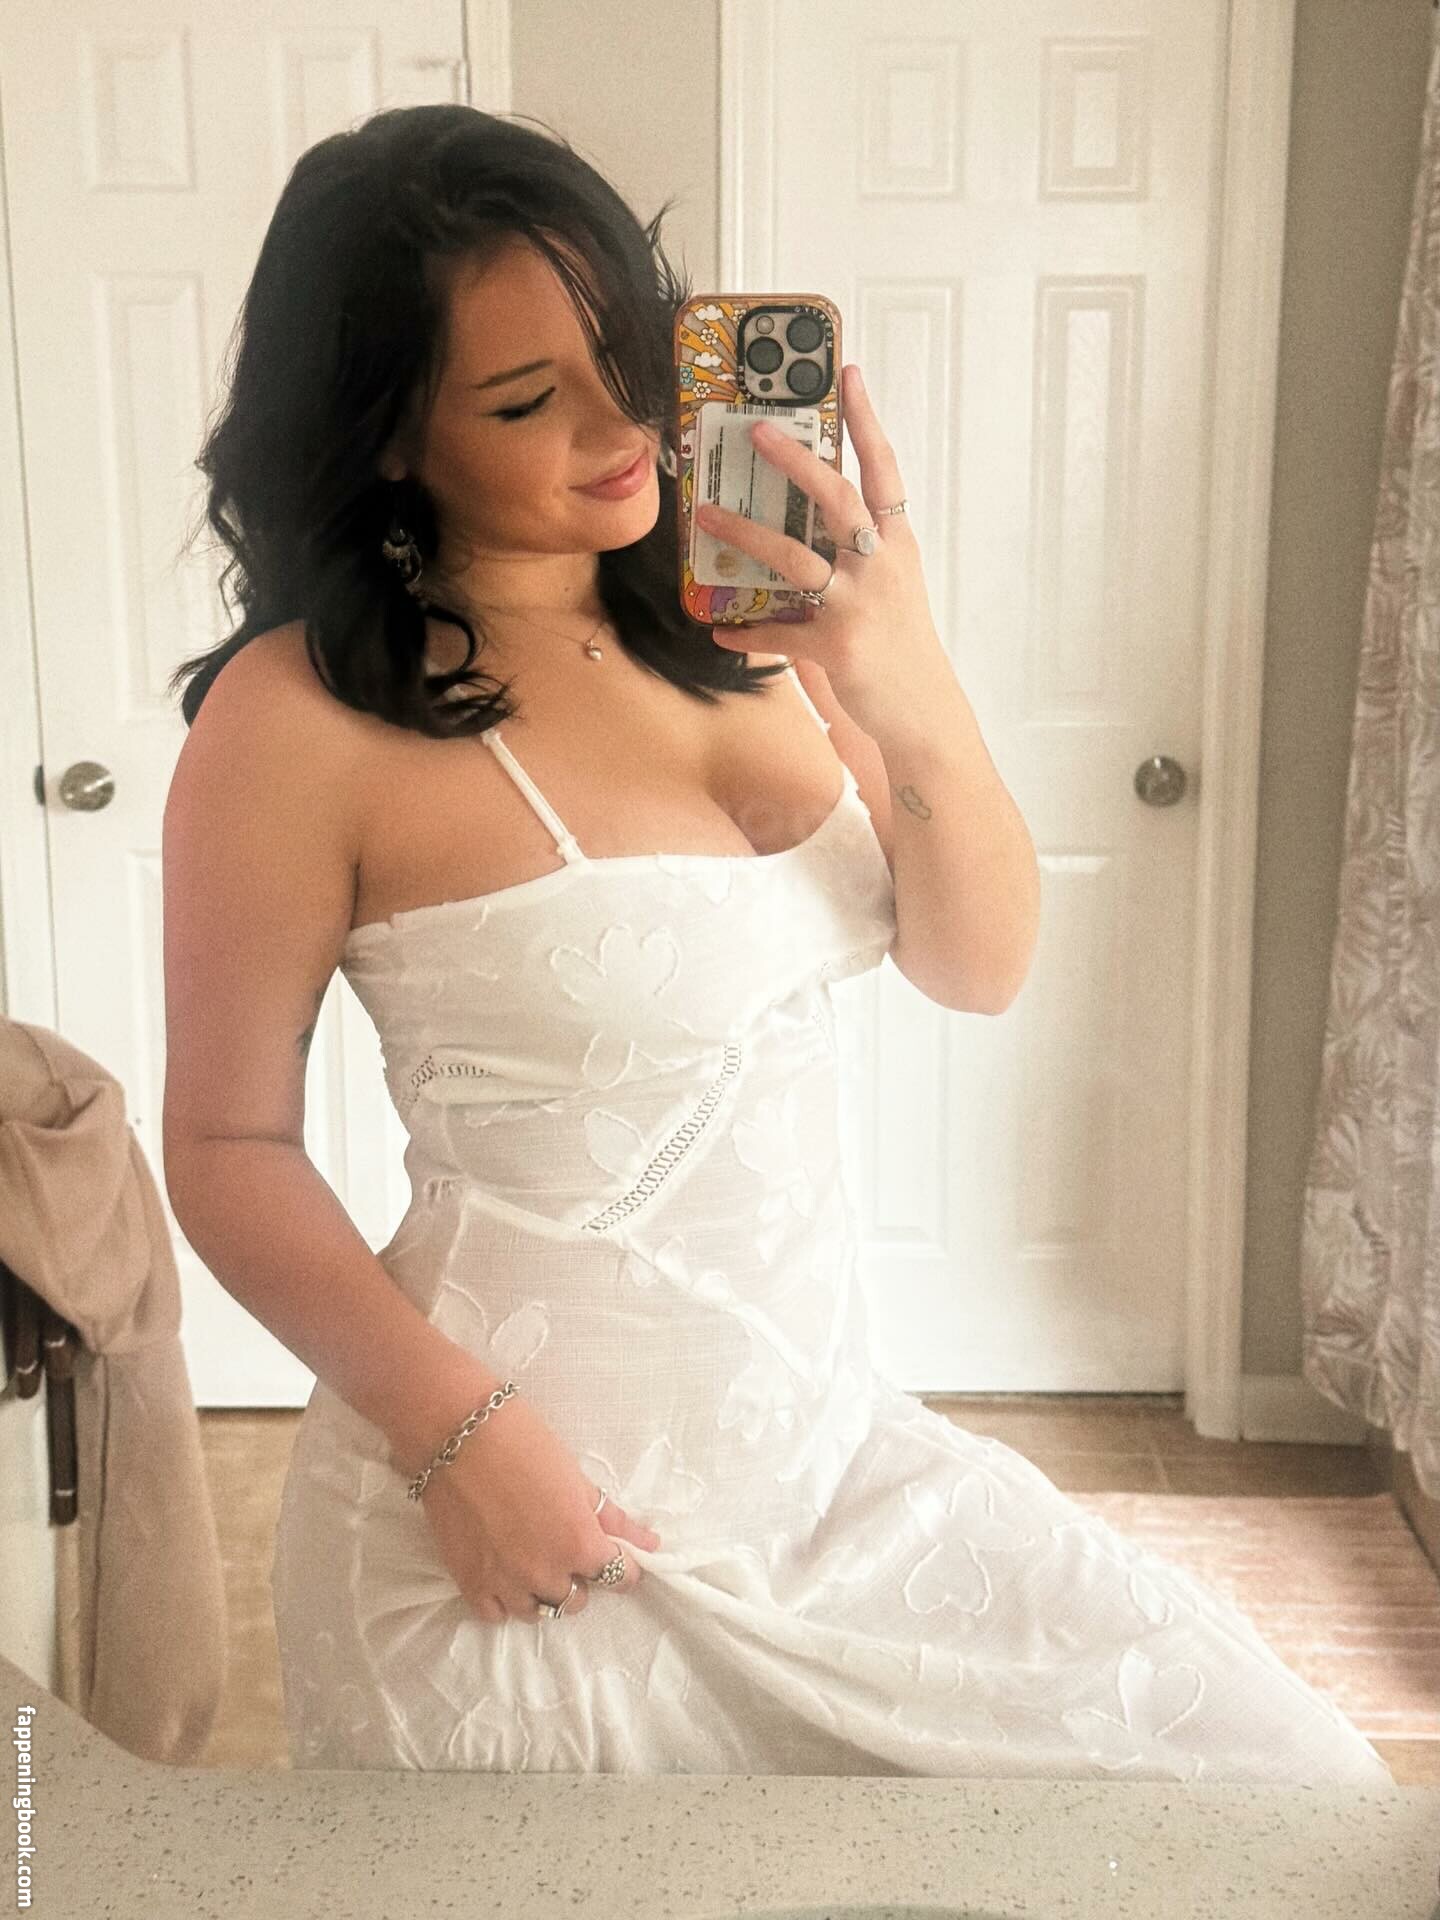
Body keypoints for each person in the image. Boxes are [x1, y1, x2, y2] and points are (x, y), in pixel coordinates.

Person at [161, 103, 1393, 1783]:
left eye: (630, 356)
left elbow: (978, 966)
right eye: (526, 401)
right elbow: (227, 1148)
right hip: (530, 1520)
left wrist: (907, 679)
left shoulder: (754, 617)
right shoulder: (298, 718)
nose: (622, 430)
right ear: (383, 434)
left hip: (830, 1476)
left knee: (1293, 1785)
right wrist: (457, 1440)